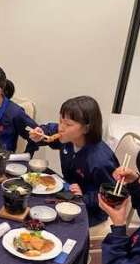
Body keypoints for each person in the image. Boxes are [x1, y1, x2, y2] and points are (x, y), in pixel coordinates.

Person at [29, 96, 118, 227]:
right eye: (61, 121)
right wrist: (40, 132)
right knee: (31, 204)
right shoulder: (69, 138)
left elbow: (111, 195)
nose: (61, 128)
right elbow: (50, 129)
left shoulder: (100, 160)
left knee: (45, 224)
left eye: (68, 124)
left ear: (86, 128)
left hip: (89, 211)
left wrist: (83, 196)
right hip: (67, 195)